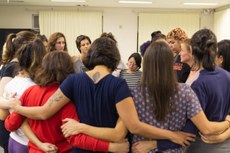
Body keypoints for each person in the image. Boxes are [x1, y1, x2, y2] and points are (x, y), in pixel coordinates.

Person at [10, 37, 198, 153]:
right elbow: (126, 130)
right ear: (115, 58)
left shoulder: (73, 81)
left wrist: (17, 107)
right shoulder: (119, 85)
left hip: (81, 148)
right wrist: (172, 136)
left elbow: (44, 112)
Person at [5, 51, 128, 153]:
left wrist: (15, 107)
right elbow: (76, 139)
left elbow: (11, 125)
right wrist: (111, 147)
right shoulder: (65, 101)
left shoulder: (29, 91)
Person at [131, 41, 230, 153]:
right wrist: (227, 123)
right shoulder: (185, 92)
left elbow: (133, 127)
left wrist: (154, 143)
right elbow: (193, 134)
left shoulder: (133, 95)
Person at [0, 38, 48, 153]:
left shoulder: (12, 83)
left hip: (14, 140)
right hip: (28, 143)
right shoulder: (32, 88)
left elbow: (3, 115)